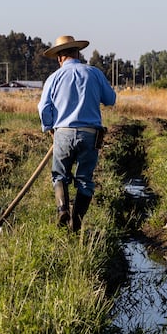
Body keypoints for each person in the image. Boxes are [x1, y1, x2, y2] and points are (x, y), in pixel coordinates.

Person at [37, 34, 117, 231]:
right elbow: (111, 99)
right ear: (77, 54)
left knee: (59, 176)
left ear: (59, 57)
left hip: (63, 132)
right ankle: (76, 224)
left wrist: (49, 128)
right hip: (90, 133)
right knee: (84, 180)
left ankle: (63, 209)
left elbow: (43, 107)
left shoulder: (54, 78)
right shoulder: (94, 73)